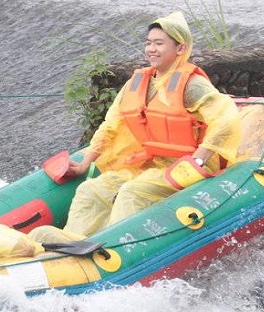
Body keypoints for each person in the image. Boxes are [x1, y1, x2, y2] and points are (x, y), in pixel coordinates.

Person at [30, 11, 241, 243]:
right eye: (148, 43)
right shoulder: (137, 83)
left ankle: (112, 247)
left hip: (188, 167)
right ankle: (72, 242)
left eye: (159, 43)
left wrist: (198, 160)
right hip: (152, 164)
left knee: (132, 193)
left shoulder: (193, 86)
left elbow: (227, 119)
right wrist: (84, 164)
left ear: (180, 49)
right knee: (92, 189)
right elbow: (110, 124)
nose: (151, 49)